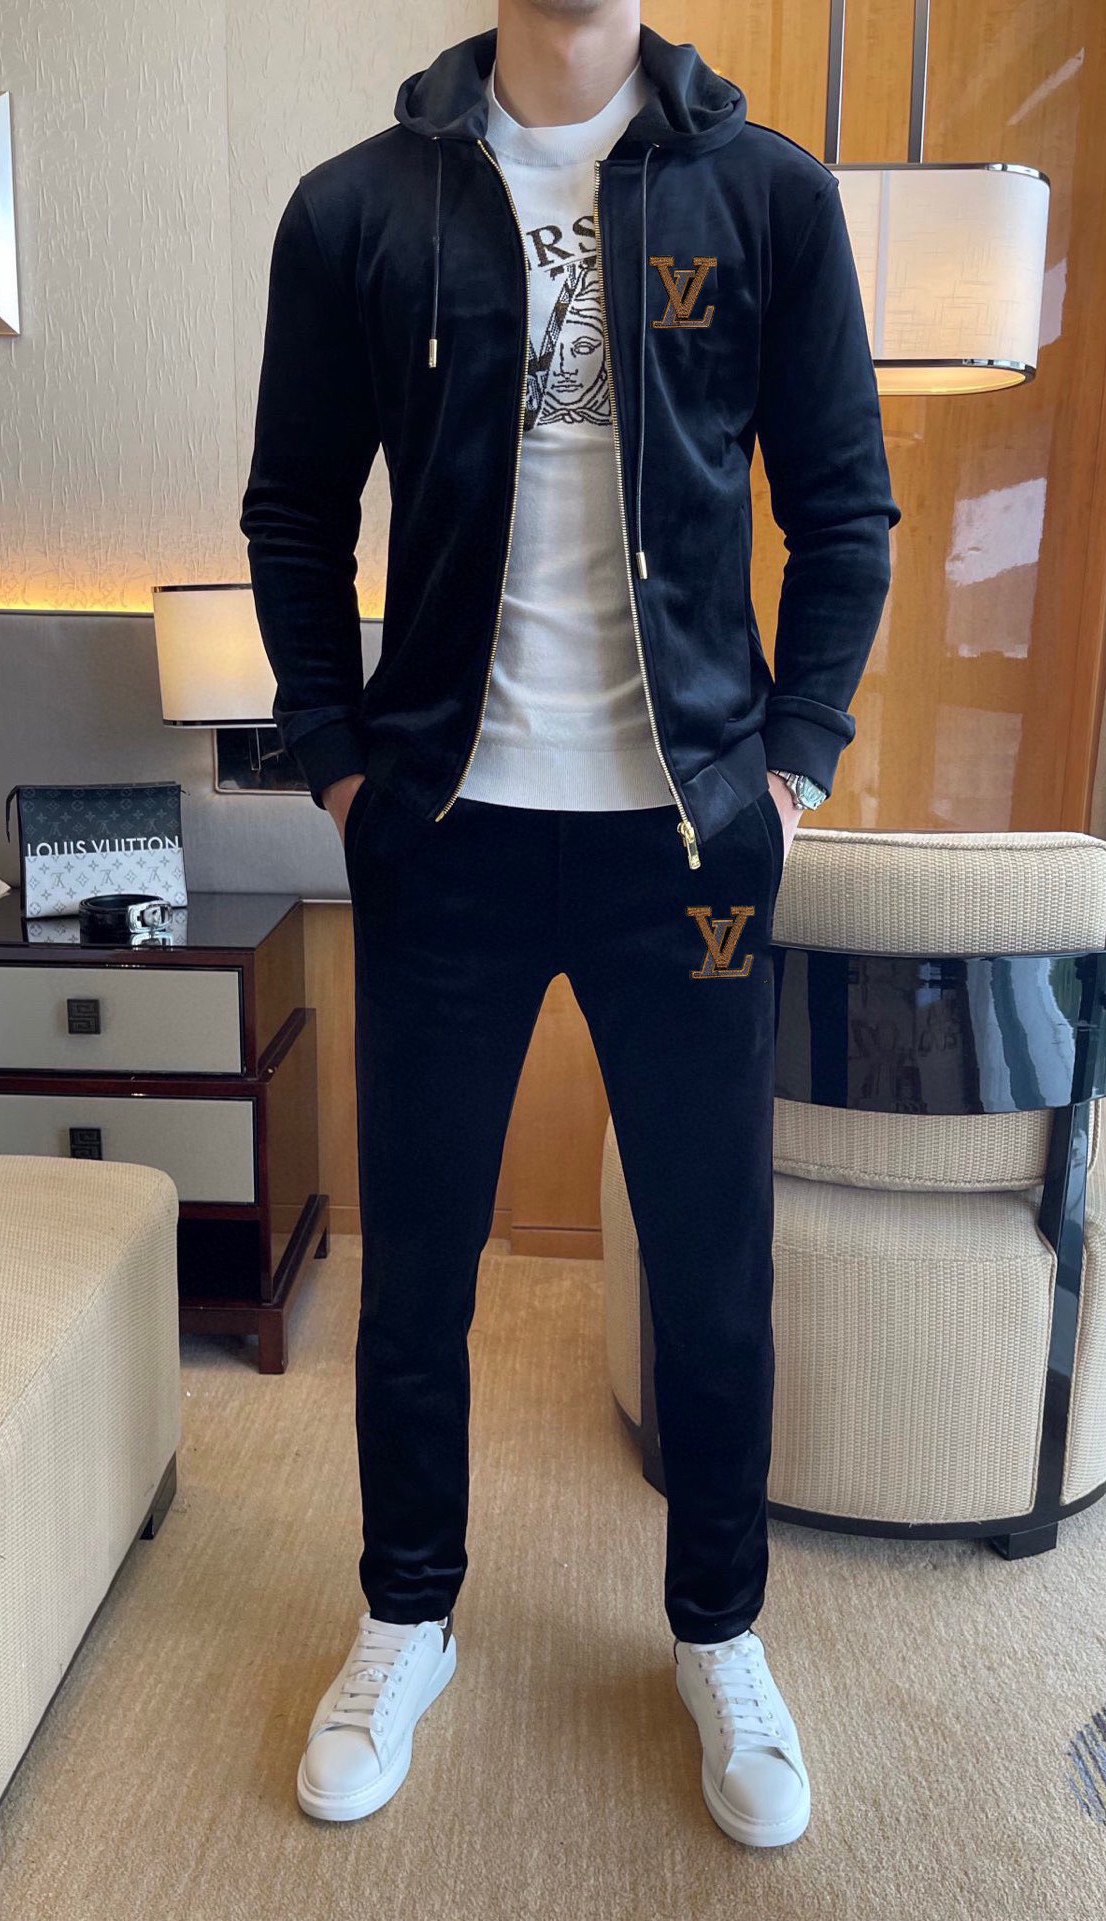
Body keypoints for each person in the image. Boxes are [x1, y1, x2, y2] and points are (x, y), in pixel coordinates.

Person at [240, 0, 901, 1851]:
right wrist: (338, 763)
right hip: (442, 835)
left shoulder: (765, 198)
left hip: (685, 848)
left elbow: (842, 509)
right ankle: (405, 1612)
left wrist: (790, 767)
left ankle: (719, 1631)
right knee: (417, 1266)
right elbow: (293, 512)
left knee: (709, 1266)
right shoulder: (356, 207)